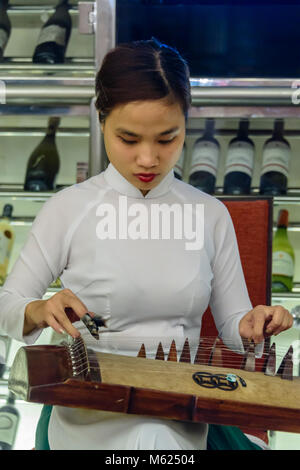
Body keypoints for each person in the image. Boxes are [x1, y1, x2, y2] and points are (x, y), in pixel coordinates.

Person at [0, 37, 293, 450]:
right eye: (129, 139)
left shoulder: (210, 214)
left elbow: (234, 327)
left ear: (186, 126)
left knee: (157, 440)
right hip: (91, 405)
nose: (148, 159)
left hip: (182, 404)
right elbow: (7, 304)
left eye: (167, 138)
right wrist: (38, 308)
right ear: (101, 120)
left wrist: (252, 325)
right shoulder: (68, 209)